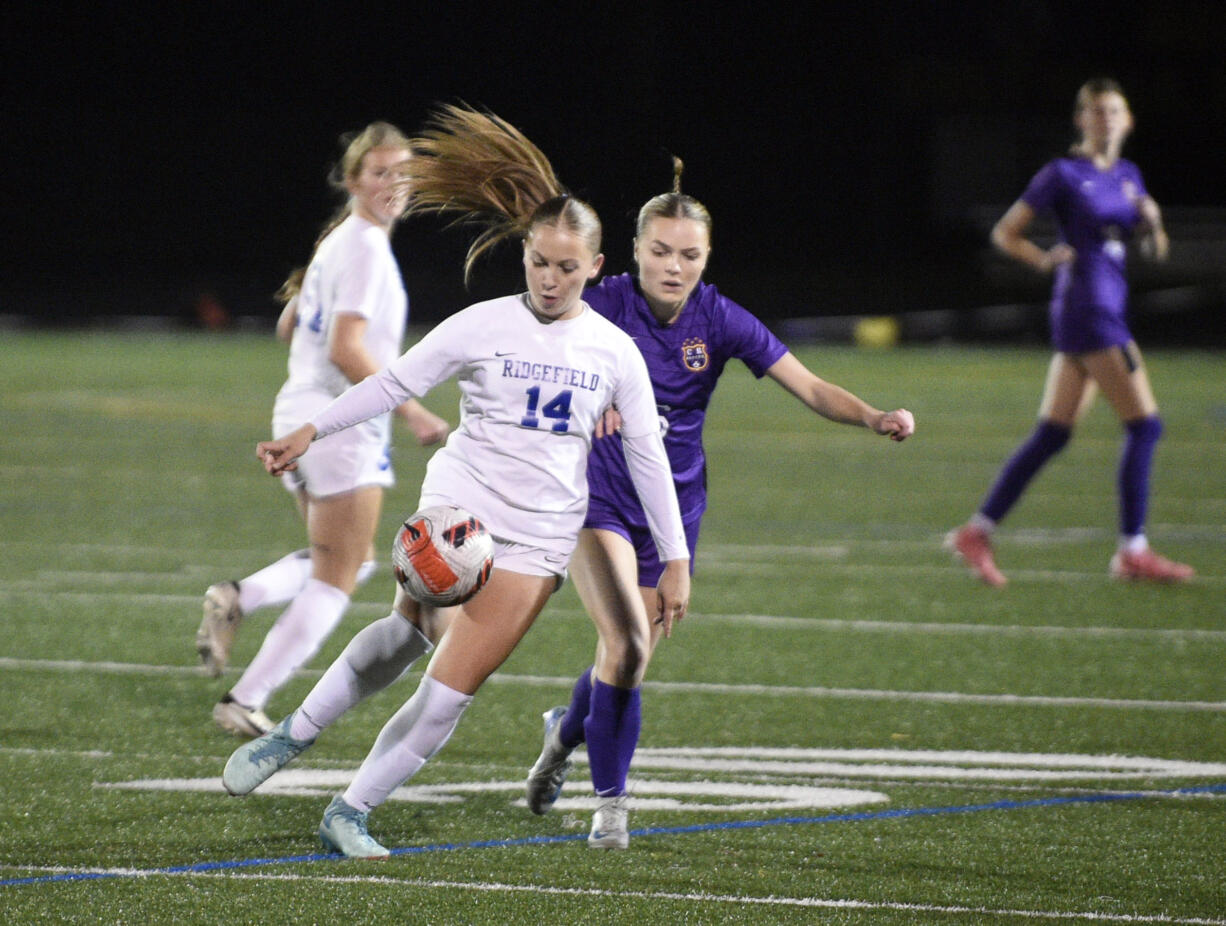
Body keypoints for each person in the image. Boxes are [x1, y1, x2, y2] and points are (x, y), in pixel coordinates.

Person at [219, 104, 691, 859]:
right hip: (461, 504)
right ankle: (289, 736)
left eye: (568, 267)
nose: (550, 277)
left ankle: (350, 811)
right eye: (539, 261)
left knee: (446, 693)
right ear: (526, 254)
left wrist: (674, 558)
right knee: (407, 632)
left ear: (598, 269)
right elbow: (391, 382)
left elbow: (645, 458)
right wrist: (313, 429)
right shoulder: (483, 323)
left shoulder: (614, 352)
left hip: (539, 535)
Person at [523, 158, 916, 848]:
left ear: (707, 257)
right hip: (599, 499)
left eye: (690, 255)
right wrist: (587, 406)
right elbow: (535, 356)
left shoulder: (720, 319)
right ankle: (611, 811)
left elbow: (810, 385)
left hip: (673, 507)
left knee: (625, 660)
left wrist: (874, 416)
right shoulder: (600, 303)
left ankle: (566, 731)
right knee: (627, 642)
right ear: (635, 250)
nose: (674, 267)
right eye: (661, 251)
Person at [196, 122, 450, 737]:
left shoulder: (339, 241)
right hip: (337, 426)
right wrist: (412, 409)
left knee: (349, 557)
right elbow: (344, 346)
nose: (394, 183)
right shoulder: (363, 247)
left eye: (404, 172)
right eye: (380, 172)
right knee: (339, 575)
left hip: (299, 414)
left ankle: (240, 597)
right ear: (354, 178)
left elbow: (291, 326)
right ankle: (245, 697)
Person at [947, 77, 1193, 587]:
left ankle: (977, 531)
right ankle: (1132, 550)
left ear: (1128, 120)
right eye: (1097, 112)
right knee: (1145, 426)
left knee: (1053, 434)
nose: (1106, 120)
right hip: (1089, 311)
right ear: (1081, 119)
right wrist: (1042, 260)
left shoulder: (1129, 175)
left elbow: (1154, 252)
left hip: (1105, 308)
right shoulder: (1062, 173)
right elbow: (1005, 232)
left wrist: (1153, 223)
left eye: (1115, 112)